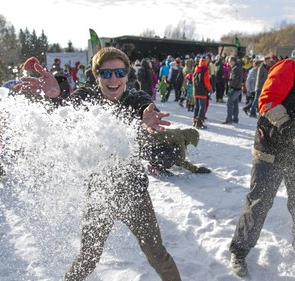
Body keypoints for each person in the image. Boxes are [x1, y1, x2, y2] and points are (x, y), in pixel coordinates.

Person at [20, 47, 182, 281]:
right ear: (97, 76)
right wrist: (57, 98)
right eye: (106, 74)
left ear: (127, 75)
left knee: (157, 254)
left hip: (134, 194)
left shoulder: (138, 99)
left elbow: (149, 125)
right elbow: (67, 116)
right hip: (99, 194)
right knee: (88, 256)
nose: (113, 79)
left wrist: (147, 127)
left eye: (119, 72)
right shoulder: (86, 97)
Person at [229, 29, 295, 277]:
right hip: (271, 148)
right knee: (259, 203)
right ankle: (239, 251)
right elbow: (267, 99)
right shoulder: (290, 67)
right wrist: (286, 127)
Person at [143, 128, 212, 176]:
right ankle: (157, 168)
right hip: (147, 150)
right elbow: (180, 160)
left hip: (145, 149)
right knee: (173, 153)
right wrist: (196, 170)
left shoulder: (178, 133)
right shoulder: (180, 139)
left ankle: (154, 163)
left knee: (168, 149)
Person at [222, 56, 243, 124]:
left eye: (230, 61)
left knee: (229, 103)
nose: (229, 63)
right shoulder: (237, 67)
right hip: (237, 88)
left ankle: (229, 119)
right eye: (228, 61)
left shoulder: (235, 68)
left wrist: (229, 84)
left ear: (233, 61)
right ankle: (235, 118)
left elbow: (234, 80)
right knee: (235, 104)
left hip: (234, 89)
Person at [193, 58, 212, 129]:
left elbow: (193, 80)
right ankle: (199, 123)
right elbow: (206, 82)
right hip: (202, 92)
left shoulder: (196, 71)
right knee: (202, 107)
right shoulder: (205, 72)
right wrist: (210, 88)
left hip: (196, 91)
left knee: (196, 107)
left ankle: (194, 121)